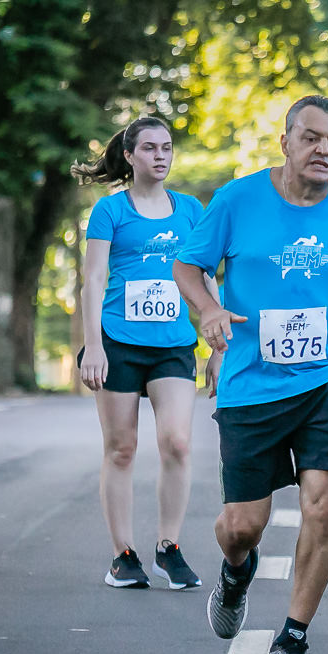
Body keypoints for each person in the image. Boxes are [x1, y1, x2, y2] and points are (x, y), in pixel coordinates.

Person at [173, 95, 328, 654]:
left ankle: (292, 637)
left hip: (326, 377)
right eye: (312, 138)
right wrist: (209, 310)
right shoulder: (236, 200)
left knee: (326, 501)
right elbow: (188, 266)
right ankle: (235, 570)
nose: (324, 150)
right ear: (286, 141)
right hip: (250, 382)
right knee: (242, 526)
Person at [74, 116, 212, 591]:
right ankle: (123, 556)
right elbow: (93, 280)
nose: (160, 155)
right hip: (117, 341)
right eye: (150, 148)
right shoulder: (110, 210)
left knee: (177, 442)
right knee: (122, 448)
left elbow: (203, 275)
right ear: (130, 156)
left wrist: (216, 338)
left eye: (167, 147)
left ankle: (168, 548)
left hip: (173, 344)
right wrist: (94, 345)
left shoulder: (190, 210)